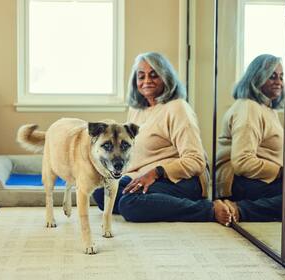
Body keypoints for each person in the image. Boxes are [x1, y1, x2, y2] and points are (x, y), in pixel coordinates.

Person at [92, 52, 232, 225]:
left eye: (154, 75)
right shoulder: (137, 109)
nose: (146, 81)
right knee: (101, 193)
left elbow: (196, 161)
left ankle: (208, 210)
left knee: (130, 204)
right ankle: (156, 202)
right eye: (141, 76)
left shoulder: (178, 108)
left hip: (182, 179)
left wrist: (156, 173)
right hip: (142, 175)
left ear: (165, 77)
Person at [216, 54, 285, 222]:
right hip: (243, 182)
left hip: (267, 180)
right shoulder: (248, 108)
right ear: (256, 78)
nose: (278, 81)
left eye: (281, 76)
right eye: (272, 76)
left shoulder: (267, 109)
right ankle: (239, 209)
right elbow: (242, 162)